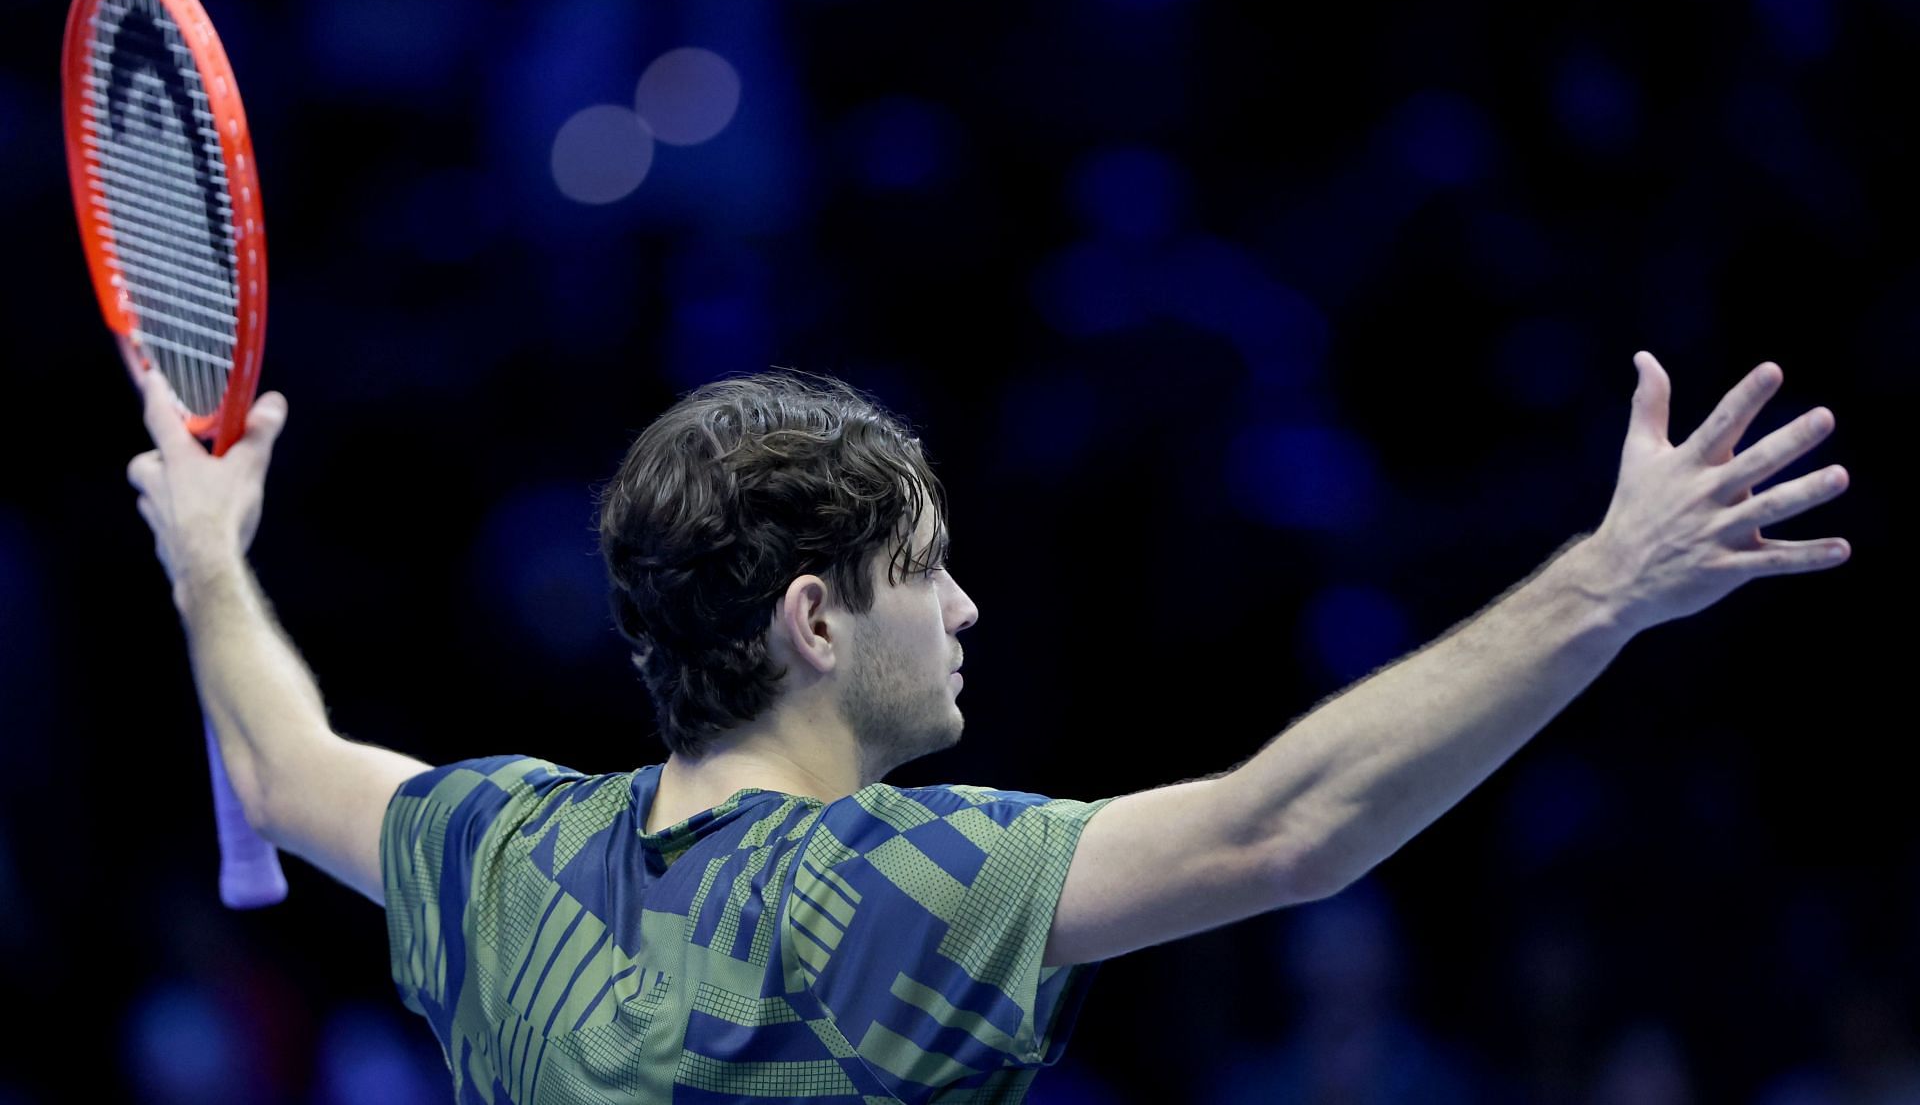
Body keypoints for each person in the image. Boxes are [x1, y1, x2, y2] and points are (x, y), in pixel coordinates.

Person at [126, 353, 1850, 1103]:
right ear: (815, 619)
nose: (966, 611)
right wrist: (1607, 585)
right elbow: (1286, 825)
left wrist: (208, 554)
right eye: (924, 571)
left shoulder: (501, 859)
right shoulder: (909, 884)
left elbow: (279, 767)